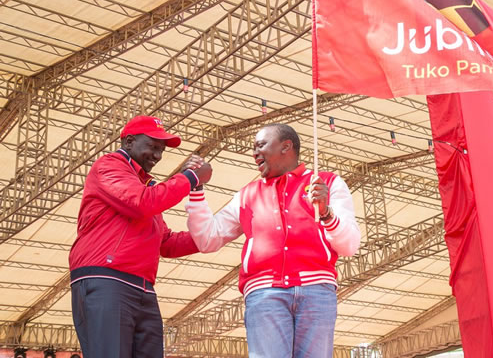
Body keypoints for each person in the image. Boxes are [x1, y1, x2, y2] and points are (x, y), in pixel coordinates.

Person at [185, 123, 361, 358]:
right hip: (264, 291)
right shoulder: (246, 194)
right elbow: (208, 239)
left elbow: (350, 245)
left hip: (317, 290)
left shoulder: (327, 184)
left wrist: (326, 212)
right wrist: (196, 190)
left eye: (260, 145)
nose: (254, 153)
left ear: (286, 146)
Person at [69, 115, 212, 358]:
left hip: (141, 286)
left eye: (161, 151)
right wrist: (190, 178)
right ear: (129, 142)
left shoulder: (144, 186)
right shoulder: (109, 166)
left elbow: (165, 243)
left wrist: (215, 234)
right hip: (107, 276)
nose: (157, 156)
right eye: (153, 147)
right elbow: (141, 204)